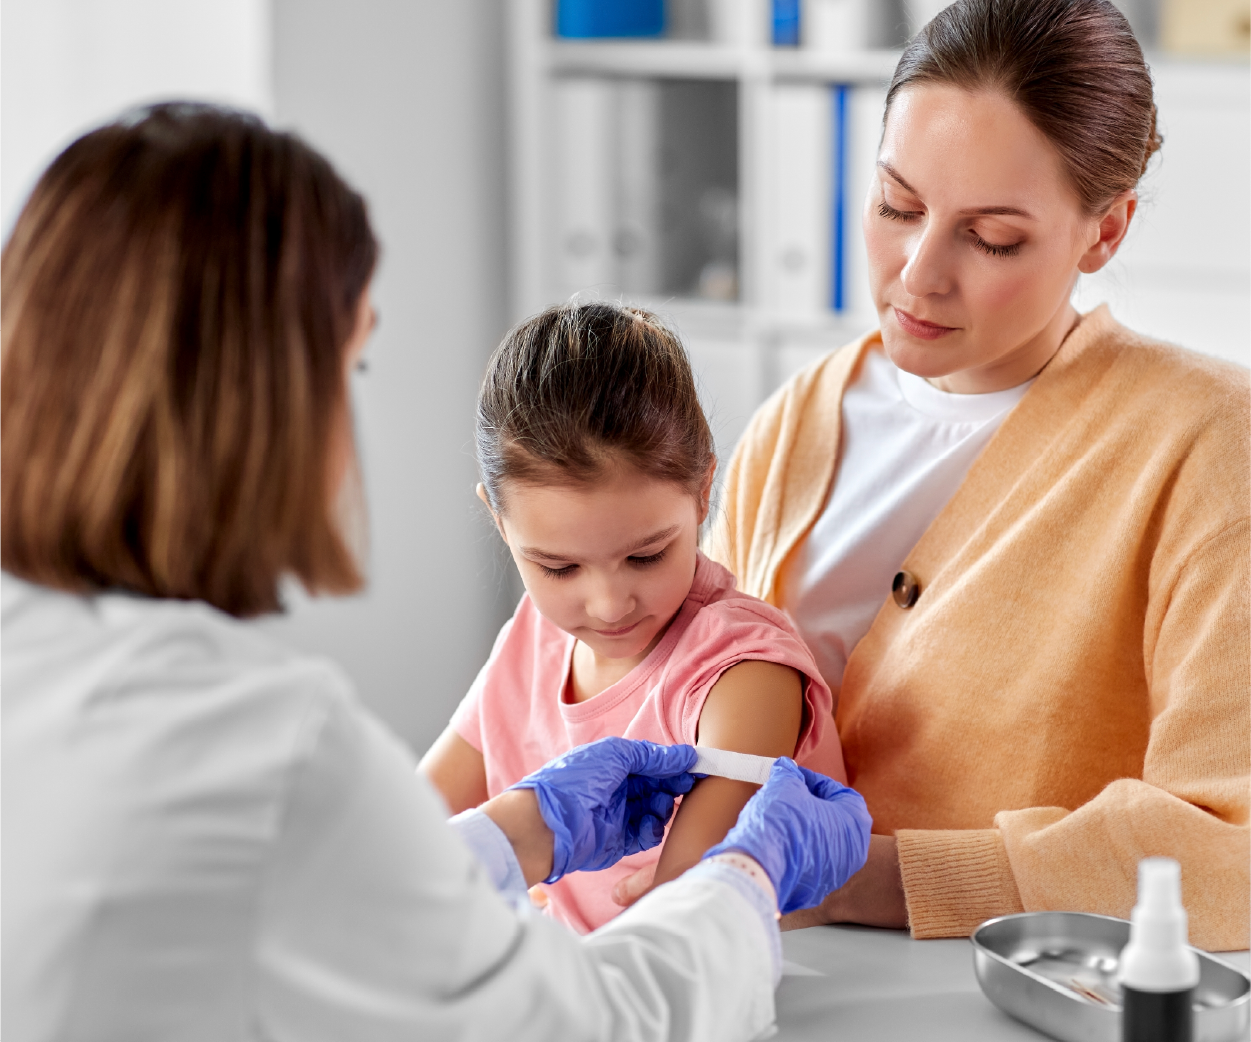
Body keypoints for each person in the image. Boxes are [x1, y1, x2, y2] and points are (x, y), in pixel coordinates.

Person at [0, 104, 874, 1040]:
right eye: (355, 366)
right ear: (267, 407)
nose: (606, 596)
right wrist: (751, 868)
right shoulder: (274, 752)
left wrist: (516, 837)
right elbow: (595, 1025)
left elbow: (355, 892)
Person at [710, 0, 1251, 949]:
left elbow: (1232, 849)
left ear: (1104, 232)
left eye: (991, 236)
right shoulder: (797, 419)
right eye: (895, 205)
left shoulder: (1206, 443)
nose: (917, 276)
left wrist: (874, 878)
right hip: (740, 972)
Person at [419, 301, 848, 933]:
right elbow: (412, 829)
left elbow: (685, 926)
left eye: (646, 555)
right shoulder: (531, 638)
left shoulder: (744, 673)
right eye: (559, 569)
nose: (608, 604)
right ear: (497, 518)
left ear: (704, 491)